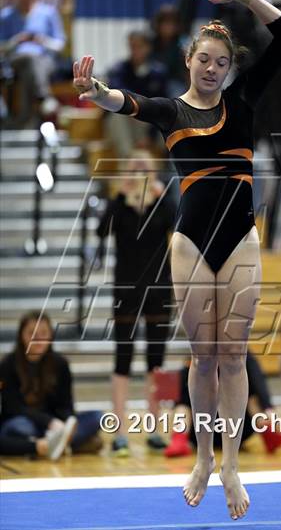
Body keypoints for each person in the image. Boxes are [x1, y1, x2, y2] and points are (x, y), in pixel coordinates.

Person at [73, 0, 281, 520]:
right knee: (203, 357)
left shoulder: (243, 98)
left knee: (234, 354)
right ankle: (201, 458)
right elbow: (129, 103)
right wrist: (94, 91)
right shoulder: (173, 111)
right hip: (191, 244)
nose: (214, 68)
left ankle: (230, 464)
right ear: (189, 61)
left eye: (223, 62)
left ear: (230, 68)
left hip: (241, 239)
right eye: (206, 59)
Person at [96, 151, 176, 455]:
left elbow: (180, 225)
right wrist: (118, 196)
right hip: (126, 291)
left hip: (158, 290)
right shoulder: (120, 205)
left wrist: (162, 197)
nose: (140, 172)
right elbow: (101, 231)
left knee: (157, 362)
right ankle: (120, 433)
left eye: (145, 167)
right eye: (135, 167)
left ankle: (156, 429)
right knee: (123, 360)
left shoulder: (162, 202)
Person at [0, 311, 103, 460]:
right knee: (19, 427)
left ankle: (50, 444)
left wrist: (67, 424)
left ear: (51, 335)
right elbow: (12, 407)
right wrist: (49, 422)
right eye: (32, 333)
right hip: (27, 424)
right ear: (21, 335)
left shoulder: (60, 364)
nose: (38, 339)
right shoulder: (8, 365)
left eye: (43, 333)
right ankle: (64, 445)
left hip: (55, 428)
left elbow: (66, 405)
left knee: (98, 417)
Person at [165, 352, 281, 458]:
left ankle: (268, 433)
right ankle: (179, 438)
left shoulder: (243, 355)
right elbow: (181, 398)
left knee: (251, 396)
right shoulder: (198, 355)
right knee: (184, 403)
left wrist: (270, 412)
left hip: (237, 428)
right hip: (202, 429)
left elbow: (259, 384)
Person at [0, 0, 65, 128]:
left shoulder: (49, 13)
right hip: (16, 59)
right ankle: (43, 97)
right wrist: (16, 41)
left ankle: (22, 120)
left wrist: (42, 41)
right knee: (29, 60)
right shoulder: (6, 15)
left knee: (30, 67)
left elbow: (59, 45)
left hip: (45, 60)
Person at [105, 28, 169, 157]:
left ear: (148, 48)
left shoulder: (158, 73)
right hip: (127, 118)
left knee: (167, 117)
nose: (136, 51)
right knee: (118, 114)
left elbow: (163, 104)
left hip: (149, 121)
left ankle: (165, 166)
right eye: (132, 46)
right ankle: (129, 159)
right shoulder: (118, 70)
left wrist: (150, 134)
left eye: (140, 46)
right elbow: (117, 95)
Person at [151, 5, 188, 97]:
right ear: (158, 24)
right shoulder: (150, 43)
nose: (169, 26)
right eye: (165, 22)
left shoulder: (184, 43)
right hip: (153, 82)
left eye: (172, 23)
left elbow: (188, 72)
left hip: (175, 83)